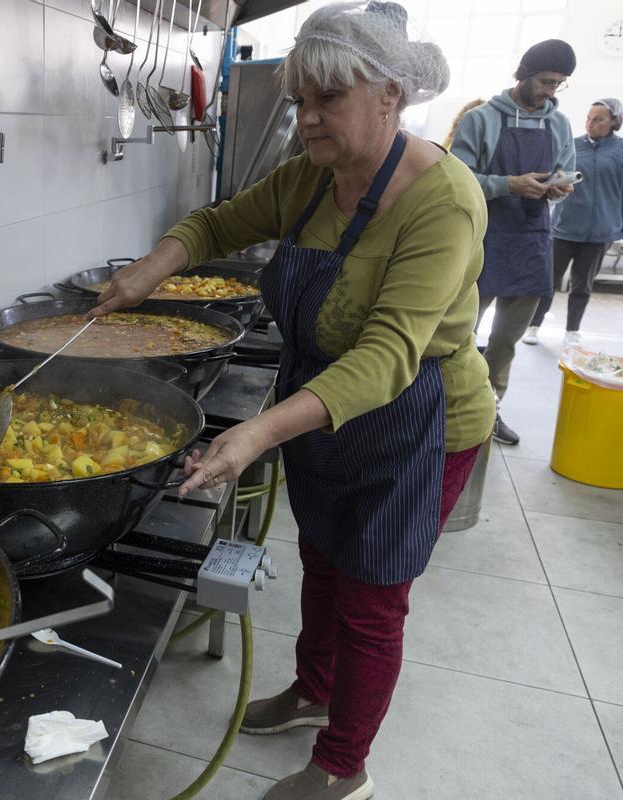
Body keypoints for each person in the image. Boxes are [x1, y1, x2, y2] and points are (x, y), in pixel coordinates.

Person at [91, 3, 494, 798]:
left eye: (327, 102)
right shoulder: (312, 176)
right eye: (299, 101)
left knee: (373, 594)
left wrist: (255, 436)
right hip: (320, 407)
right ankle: (314, 691)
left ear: (390, 95)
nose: (306, 120)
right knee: (321, 557)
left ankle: (345, 766)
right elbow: (214, 224)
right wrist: (147, 272)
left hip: (421, 419)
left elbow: (386, 357)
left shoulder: (443, 201)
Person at [450, 39, 577, 445]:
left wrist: (559, 187)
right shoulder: (481, 120)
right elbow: (458, 180)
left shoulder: (559, 125)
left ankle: (491, 409)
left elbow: (567, 169)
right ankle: (448, 407)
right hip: (484, 240)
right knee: (459, 332)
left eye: (559, 84)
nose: (550, 91)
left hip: (532, 241)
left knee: (506, 339)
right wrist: (508, 184)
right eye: (545, 81)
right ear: (523, 72)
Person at [523, 98, 623, 346]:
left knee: (582, 286)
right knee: (548, 281)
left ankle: (572, 331)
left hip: (601, 231)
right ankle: (534, 325)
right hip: (564, 227)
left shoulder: (620, 152)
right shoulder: (573, 145)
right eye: (588, 118)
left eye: (598, 119)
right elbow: (552, 174)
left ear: (614, 122)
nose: (590, 124)